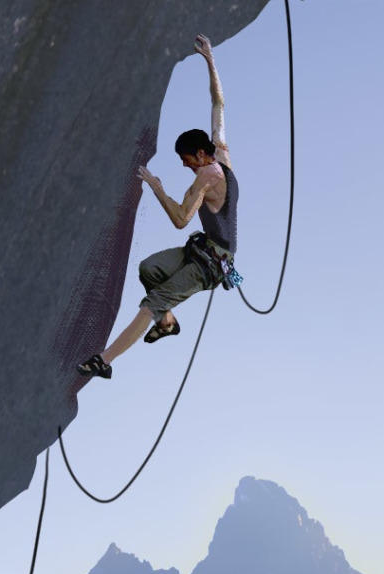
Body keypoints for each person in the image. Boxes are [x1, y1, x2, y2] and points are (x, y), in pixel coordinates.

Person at [77, 34, 238, 381]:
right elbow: (218, 104)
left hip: (210, 266)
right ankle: (167, 324)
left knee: (151, 303)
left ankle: (104, 360)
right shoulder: (221, 152)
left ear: (199, 155)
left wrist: (157, 188)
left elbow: (181, 219)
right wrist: (210, 60)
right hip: (198, 251)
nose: (184, 166)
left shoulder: (207, 178)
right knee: (149, 269)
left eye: (186, 161)